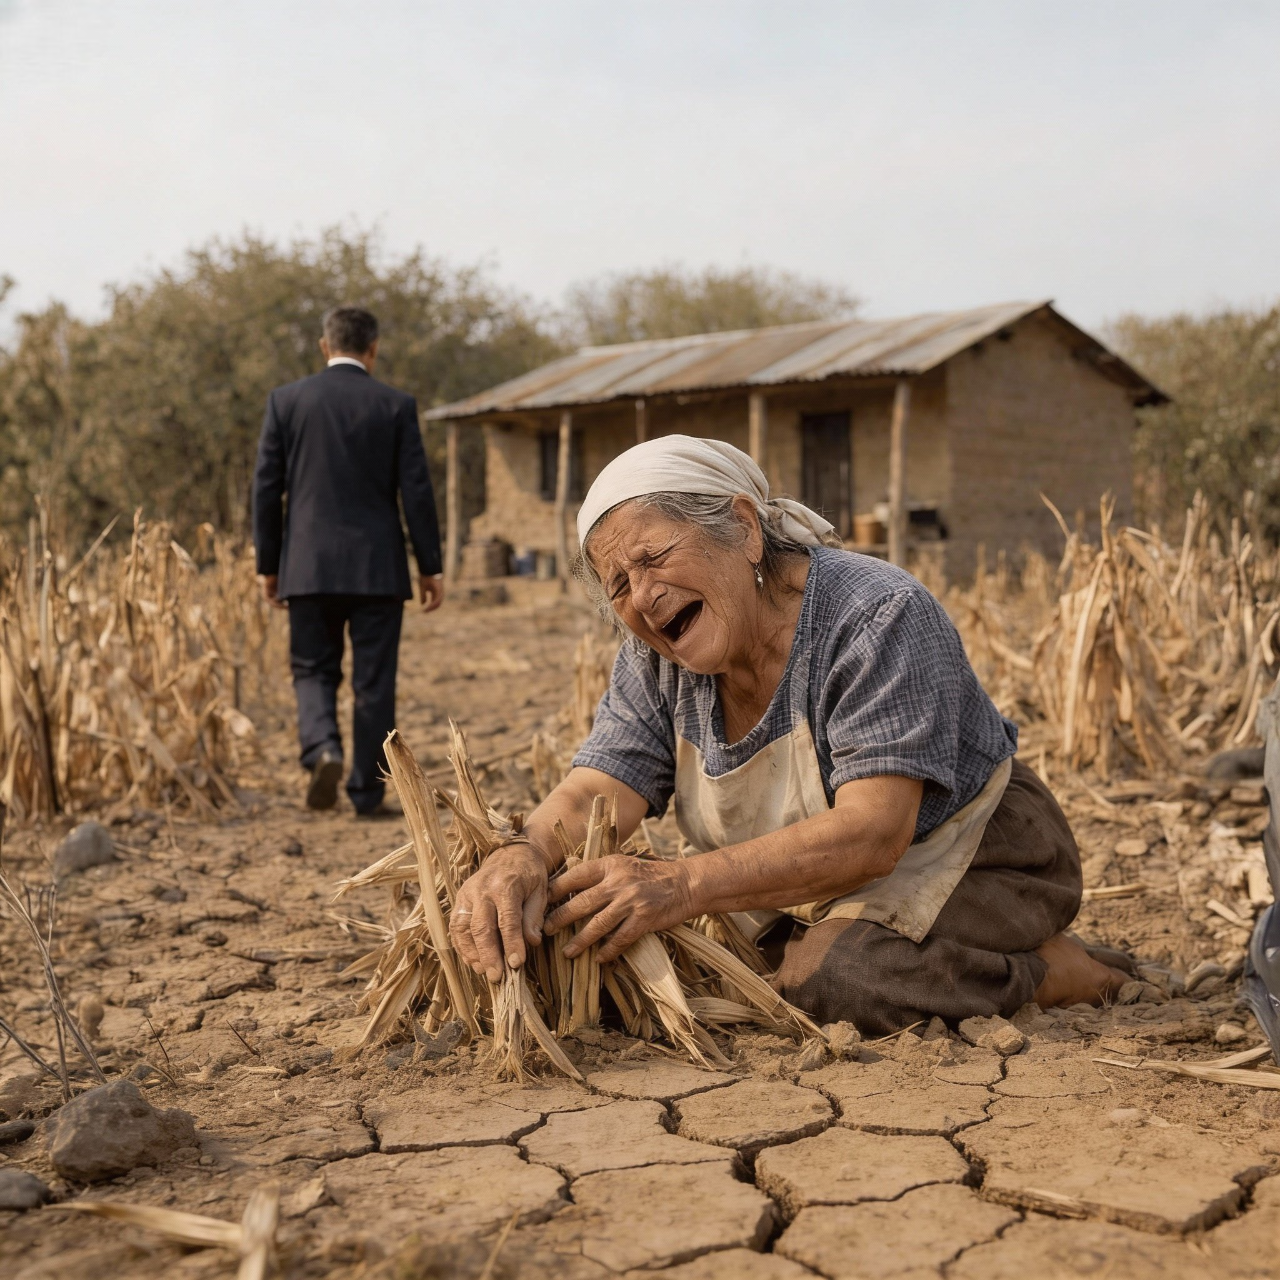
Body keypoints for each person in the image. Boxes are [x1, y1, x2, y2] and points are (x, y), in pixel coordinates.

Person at [448, 434, 1129, 1034]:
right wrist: (523, 854)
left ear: (743, 529)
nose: (643, 597)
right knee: (693, 968)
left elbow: (875, 832)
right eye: (618, 583)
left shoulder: (875, 615)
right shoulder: (654, 661)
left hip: (980, 852)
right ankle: (836, 938)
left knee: (842, 980)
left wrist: (681, 885)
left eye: (654, 557)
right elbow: (599, 789)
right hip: (819, 886)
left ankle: (1053, 971)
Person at [252, 305, 444, 815]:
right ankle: (366, 790)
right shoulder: (395, 405)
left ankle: (322, 748)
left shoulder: (286, 402)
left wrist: (268, 565)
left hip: (308, 567)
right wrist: (430, 564)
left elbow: (266, 491)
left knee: (313, 669)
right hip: (378, 570)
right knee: (373, 681)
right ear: (373, 349)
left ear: (324, 346)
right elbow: (417, 492)